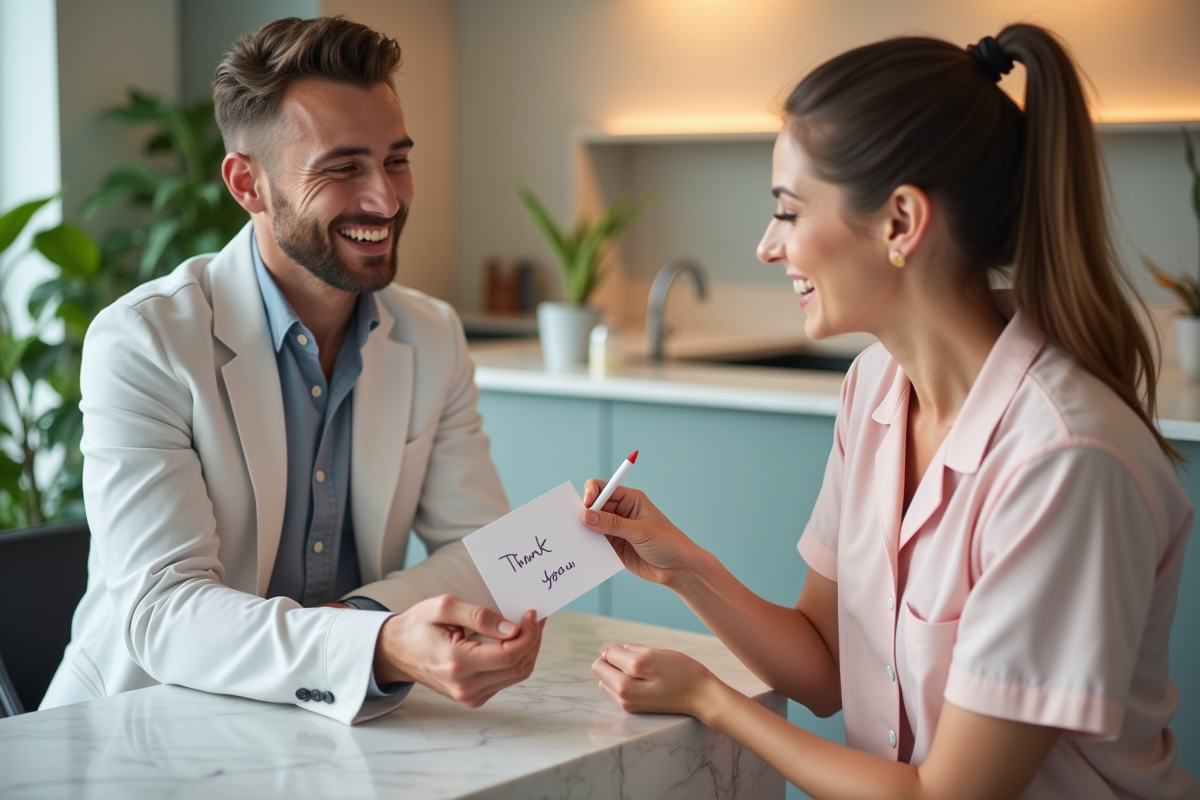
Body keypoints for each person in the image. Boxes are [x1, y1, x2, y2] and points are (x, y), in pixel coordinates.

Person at [582, 24, 1199, 799]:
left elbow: (944, 795)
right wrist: (684, 565)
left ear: (900, 222)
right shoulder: (875, 387)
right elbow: (826, 666)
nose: (767, 247)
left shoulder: (1064, 461)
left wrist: (714, 701)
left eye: (788, 211)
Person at [41, 16, 542, 725]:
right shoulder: (144, 341)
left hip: (334, 728)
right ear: (248, 183)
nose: (386, 199)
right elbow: (164, 612)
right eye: (343, 168)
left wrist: (363, 625)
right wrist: (374, 644)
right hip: (143, 727)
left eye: (396, 160)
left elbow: (491, 553)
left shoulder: (432, 334)